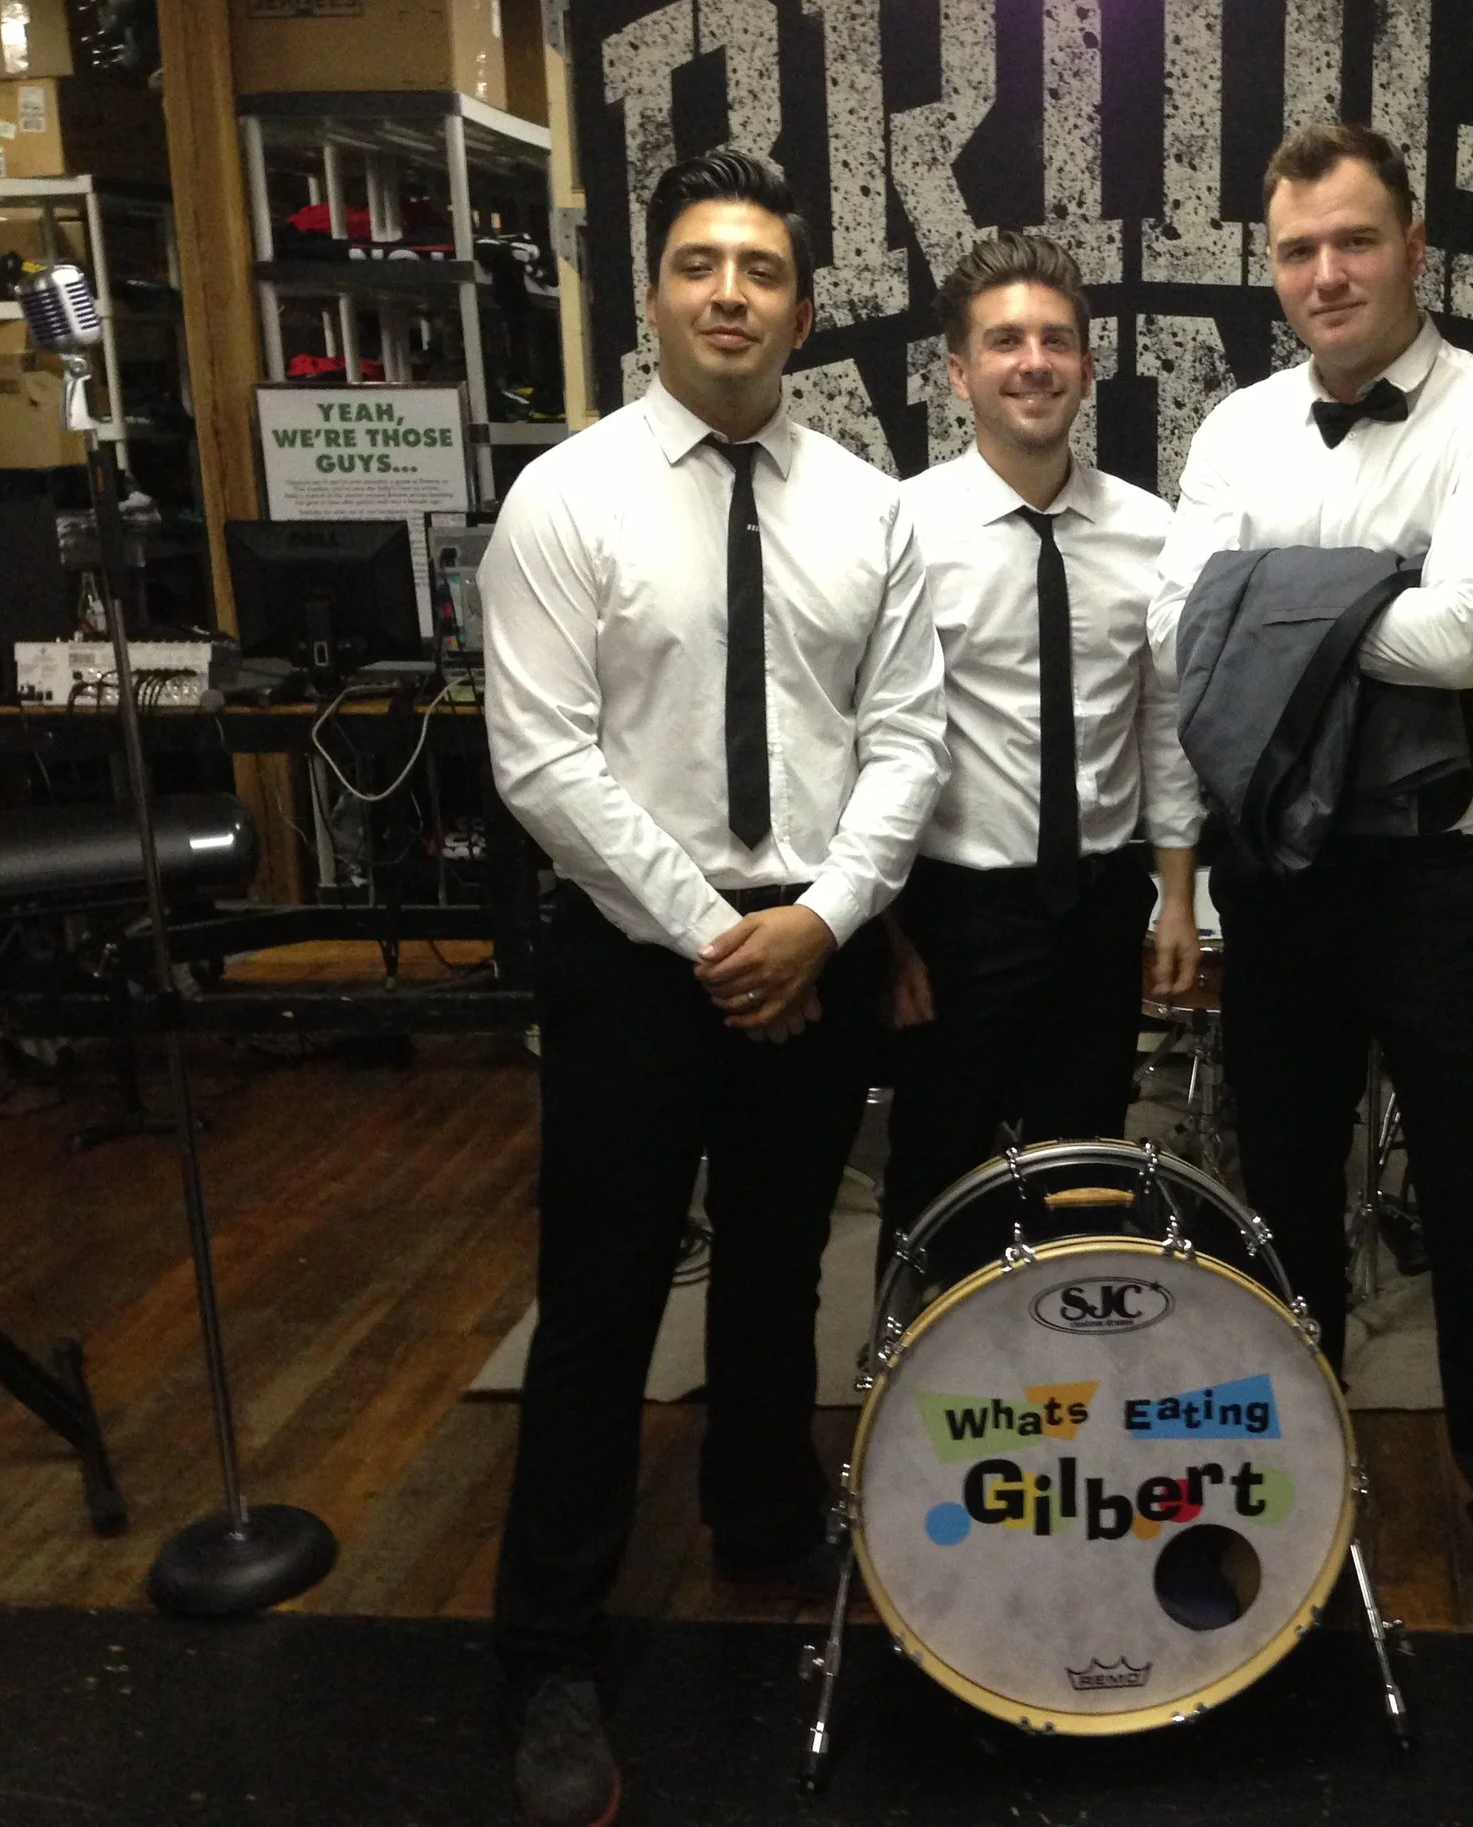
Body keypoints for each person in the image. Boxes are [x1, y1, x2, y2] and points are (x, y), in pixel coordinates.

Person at [480, 148, 945, 1827]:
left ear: (803, 313)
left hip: (812, 941)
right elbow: (544, 760)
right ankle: (546, 1644)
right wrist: (716, 936)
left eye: (759, 269)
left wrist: (821, 922)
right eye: (698, 264)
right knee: (601, 1296)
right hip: (635, 952)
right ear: (653, 298)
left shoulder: (870, 510)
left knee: (776, 1263)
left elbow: (908, 740)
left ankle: (759, 1521)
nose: (729, 292)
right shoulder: (567, 499)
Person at [1152, 122, 1473, 1704]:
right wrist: (1358, 588)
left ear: (1415, 248)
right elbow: (1180, 632)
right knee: (1282, 1210)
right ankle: (1285, 1511)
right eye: (1298, 249)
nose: (1326, 273)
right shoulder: (1237, 427)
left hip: (1444, 880)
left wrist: (1267, 605)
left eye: (1354, 240)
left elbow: (1468, 635)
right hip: (1282, 873)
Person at [880, 232, 1202, 1269]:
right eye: (1005, 341)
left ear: (1087, 365)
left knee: (1083, 1178)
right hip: (954, 913)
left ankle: (1065, 1352)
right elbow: (863, 738)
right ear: (958, 370)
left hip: (1100, 906)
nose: (1034, 362)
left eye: (1056, 340)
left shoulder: (1150, 530)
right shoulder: (900, 530)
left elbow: (1161, 719)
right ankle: (907, 1357)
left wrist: (1176, 895)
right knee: (936, 1177)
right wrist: (885, 934)